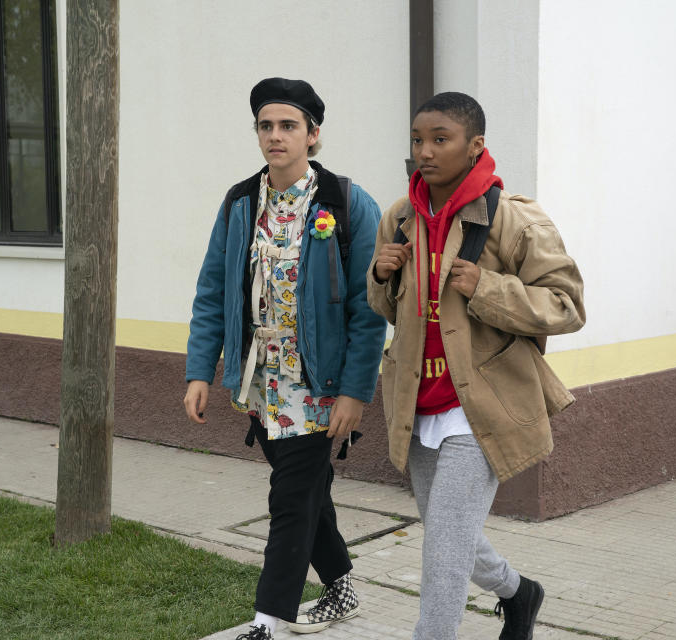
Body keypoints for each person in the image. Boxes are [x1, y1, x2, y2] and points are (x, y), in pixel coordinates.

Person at [366, 92, 586, 640]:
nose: (425, 151)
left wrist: (485, 287)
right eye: (418, 140)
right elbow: (388, 309)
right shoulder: (399, 217)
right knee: (449, 531)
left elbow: (567, 304)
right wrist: (381, 276)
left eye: (441, 139)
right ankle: (518, 591)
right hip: (416, 403)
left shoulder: (513, 218)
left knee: (443, 547)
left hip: (481, 405)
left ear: (475, 145)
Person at [184, 77, 387, 640]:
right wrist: (201, 370)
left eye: (288, 126)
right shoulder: (240, 202)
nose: (275, 136)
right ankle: (342, 583)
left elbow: (369, 310)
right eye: (266, 126)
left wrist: (354, 391)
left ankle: (267, 621)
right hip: (260, 382)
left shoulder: (347, 204)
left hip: (319, 386)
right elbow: (212, 292)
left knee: (289, 500)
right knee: (307, 488)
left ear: (312, 135)